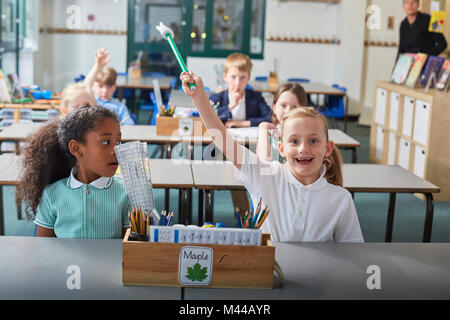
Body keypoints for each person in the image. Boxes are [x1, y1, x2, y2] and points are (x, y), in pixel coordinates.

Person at [180, 71, 364, 242]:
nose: (303, 148)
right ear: (281, 149)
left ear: (328, 148)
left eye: (313, 141)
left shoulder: (341, 199)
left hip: (319, 277)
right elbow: (224, 141)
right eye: (294, 141)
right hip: (270, 274)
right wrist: (200, 98)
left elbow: (352, 252)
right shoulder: (266, 176)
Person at [16, 105, 131, 238]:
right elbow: (43, 247)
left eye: (118, 141)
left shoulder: (125, 193)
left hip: (111, 260)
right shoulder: (52, 194)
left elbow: (130, 250)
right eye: (105, 142)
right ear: (76, 148)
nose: (116, 149)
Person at [209, 52, 272, 128]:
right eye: (233, 77)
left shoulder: (256, 97)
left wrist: (242, 123)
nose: (237, 83)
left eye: (242, 77)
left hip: (249, 138)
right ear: (225, 77)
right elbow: (208, 118)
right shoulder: (216, 98)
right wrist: (230, 106)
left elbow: (269, 118)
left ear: (248, 77)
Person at [256, 83, 308, 162]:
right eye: (283, 105)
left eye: (295, 107)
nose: (288, 111)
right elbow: (263, 163)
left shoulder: (307, 134)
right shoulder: (267, 132)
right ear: (274, 108)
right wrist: (263, 130)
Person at [60, 47, 110, 116]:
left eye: (87, 106)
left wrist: (98, 66)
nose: (82, 111)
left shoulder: (95, 123)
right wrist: (97, 66)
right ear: (65, 111)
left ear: (95, 106)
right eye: (76, 107)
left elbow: (86, 88)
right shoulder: (63, 126)